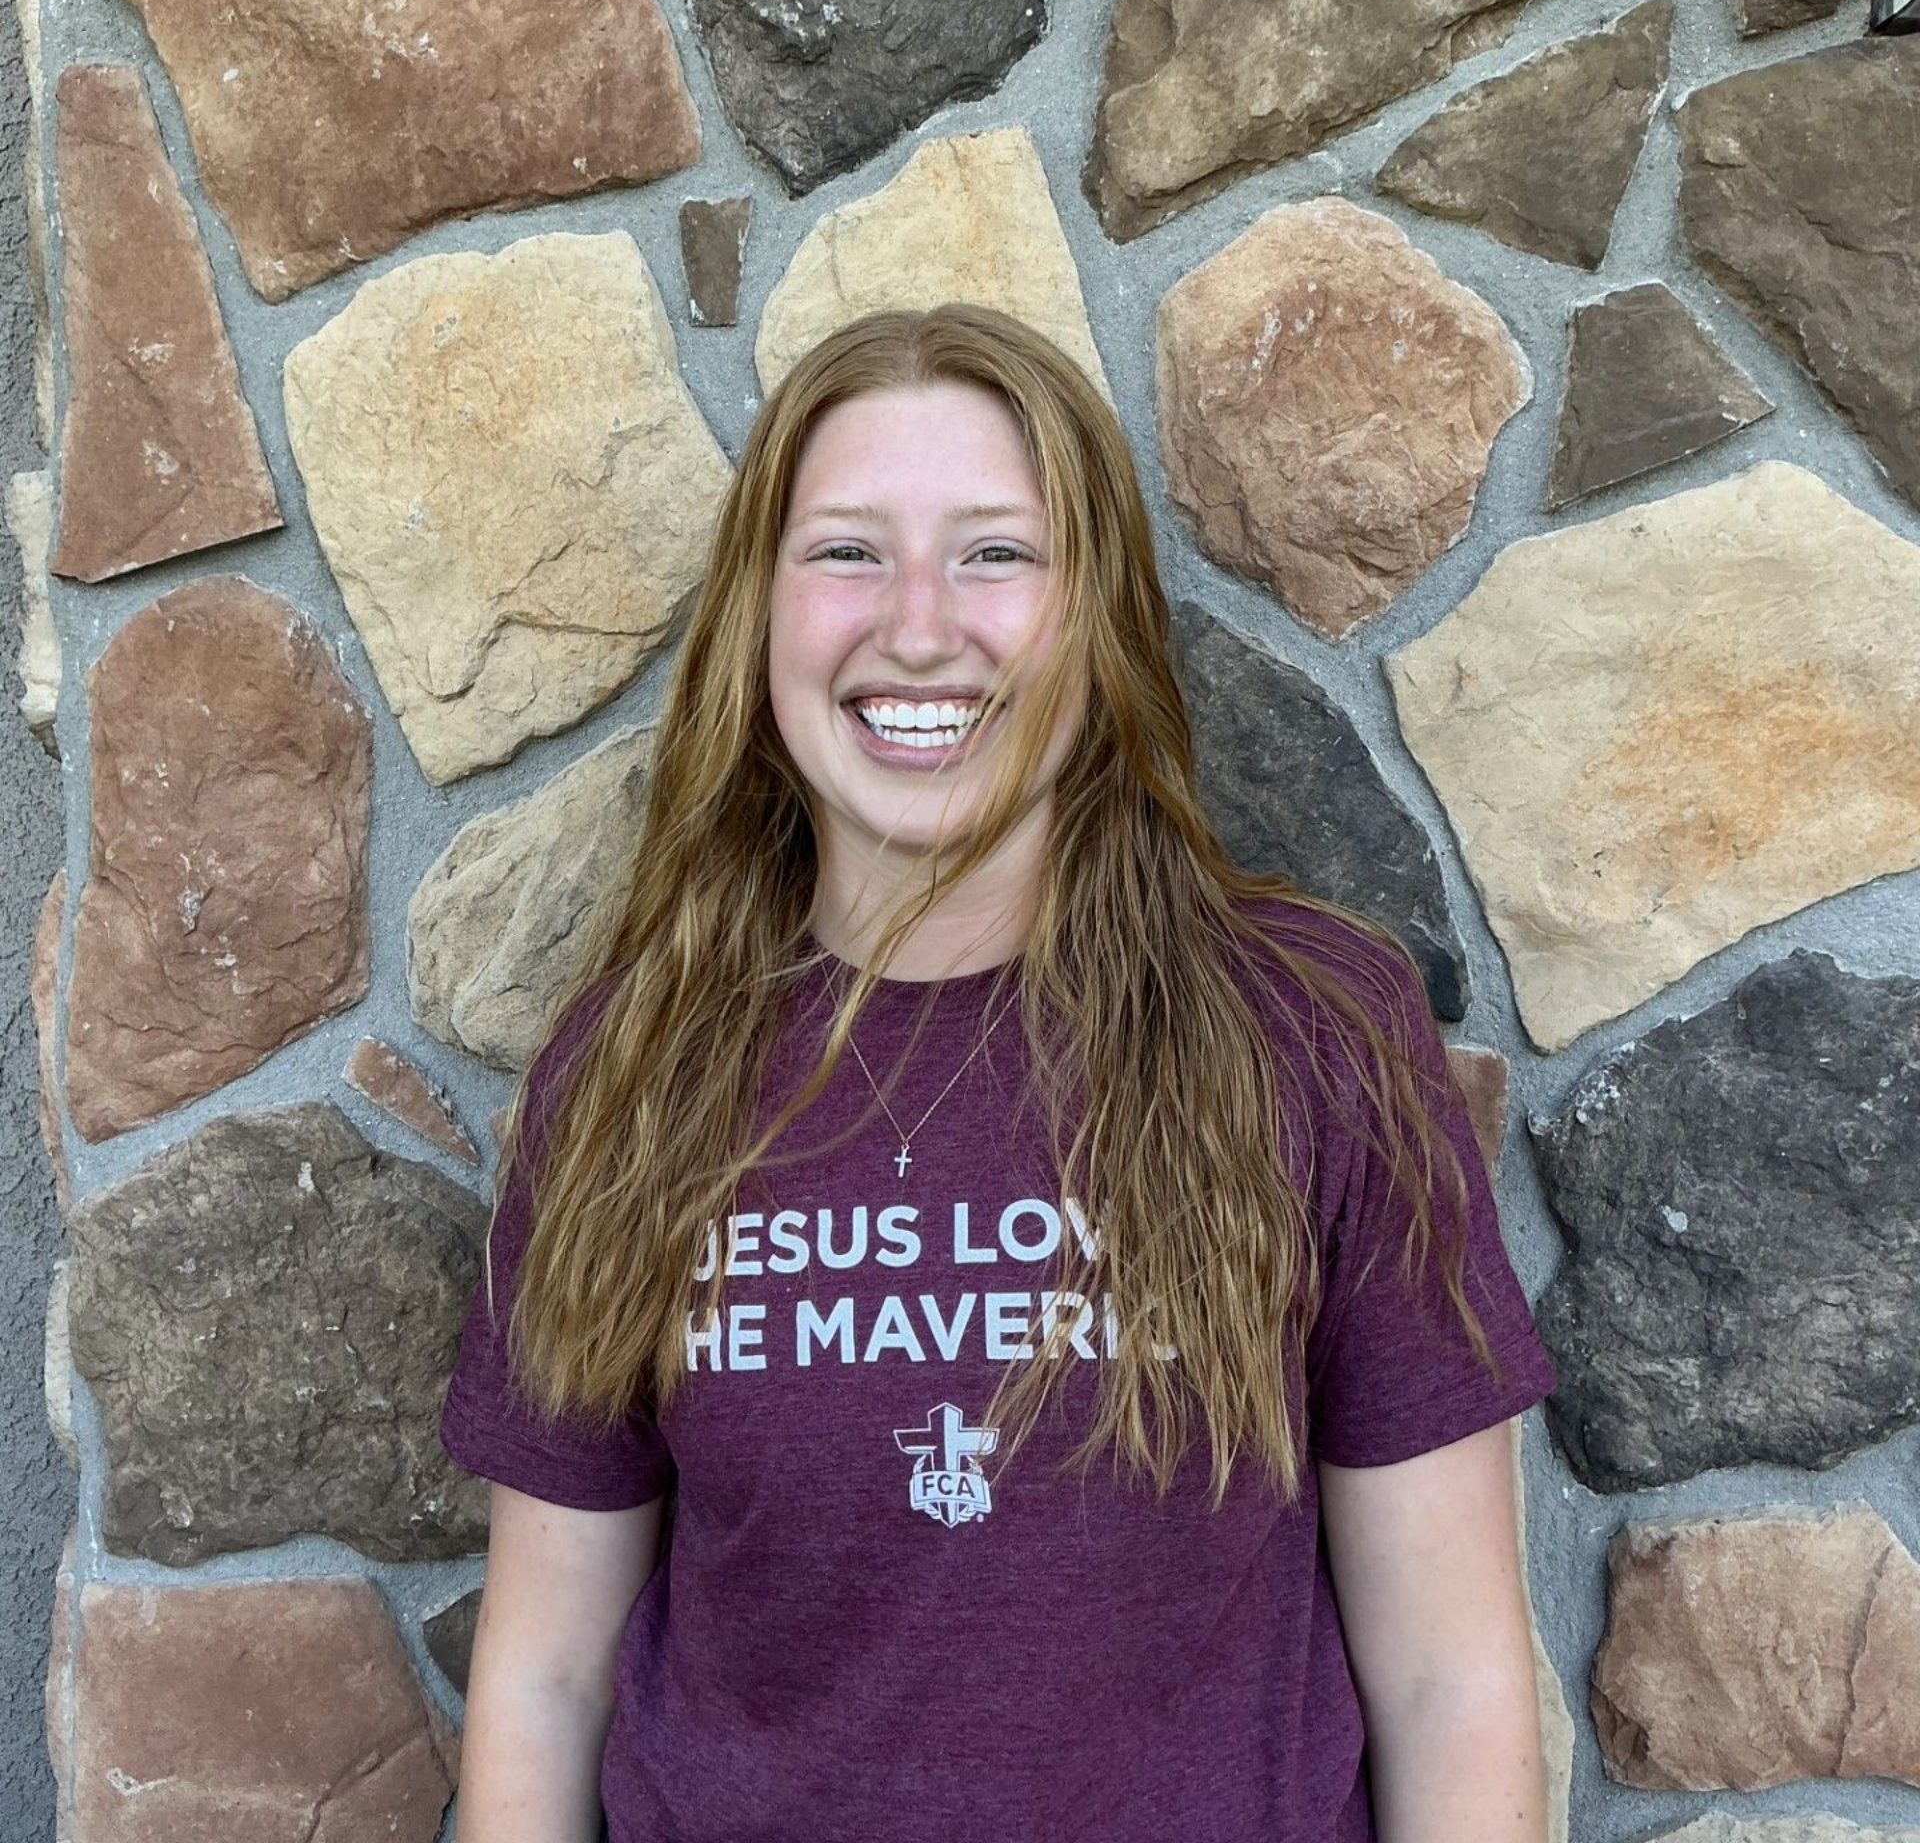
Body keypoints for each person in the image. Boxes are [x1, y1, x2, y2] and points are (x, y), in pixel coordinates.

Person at [438, 302, 1560, 1842]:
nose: (918, 626)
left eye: (996, 554)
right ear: (757, 616)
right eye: (847, 552)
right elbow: (544, 1681)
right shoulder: (636, 1067)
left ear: (1096, 619)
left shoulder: (1311, 1030)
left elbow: (1450, 1681)